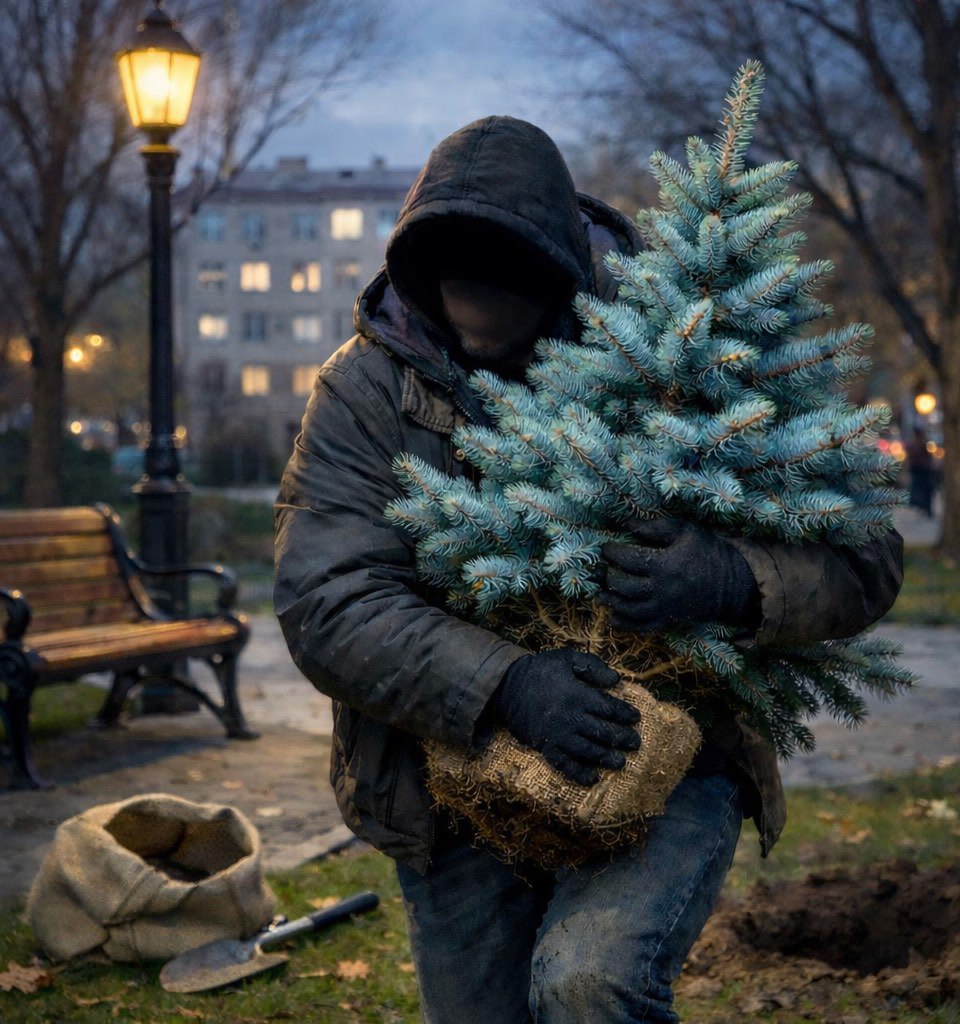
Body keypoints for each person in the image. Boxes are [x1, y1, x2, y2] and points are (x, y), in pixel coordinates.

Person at [273, 115, 904, 1023]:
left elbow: (866, 553)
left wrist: (730, 579)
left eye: (509, 311)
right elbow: (327, 598)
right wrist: (506, 683)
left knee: (590, 985)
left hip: (664, 761)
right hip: (452, 787)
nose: (480, 332)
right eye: (458, 302)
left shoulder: (680, 348)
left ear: (561, 283)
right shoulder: (364, 388)